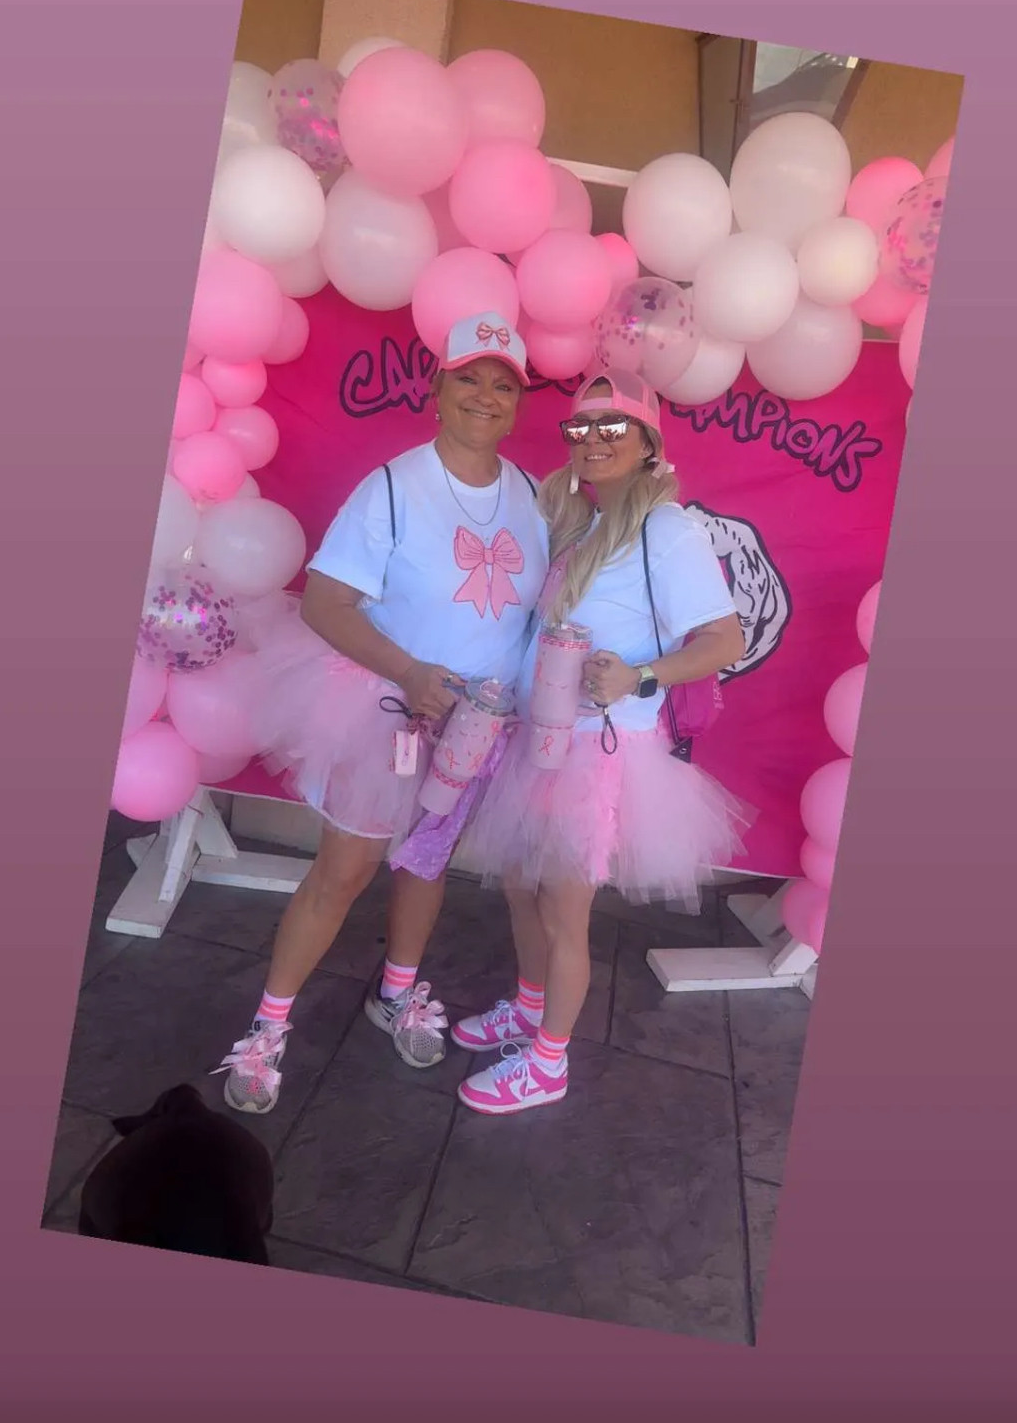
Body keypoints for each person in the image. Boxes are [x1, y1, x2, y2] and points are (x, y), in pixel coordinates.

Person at [216, 313, 549, 1115]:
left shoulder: (532, 494)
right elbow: (325, 603)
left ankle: (397, 992)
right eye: (469, 378)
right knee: (345, 869)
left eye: (503, 385)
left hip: (476, 727)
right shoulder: (394, 487)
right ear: (438, 387)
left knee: (426, 862)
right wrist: (410, 671)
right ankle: (268, 1026)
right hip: (388, 711)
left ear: (517, 404)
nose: (485, 395)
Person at [448, 366, 749, 1117]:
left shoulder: (667, 531)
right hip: (541, 739)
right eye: (579, 427)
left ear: (649, 443)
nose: (592, 439)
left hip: (599, 753)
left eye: (611, 426)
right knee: (521, 885)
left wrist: (640, 675)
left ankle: (548, 1062)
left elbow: (724, 640)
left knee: (563, 909)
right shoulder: (578, 520)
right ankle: (529, 1007)